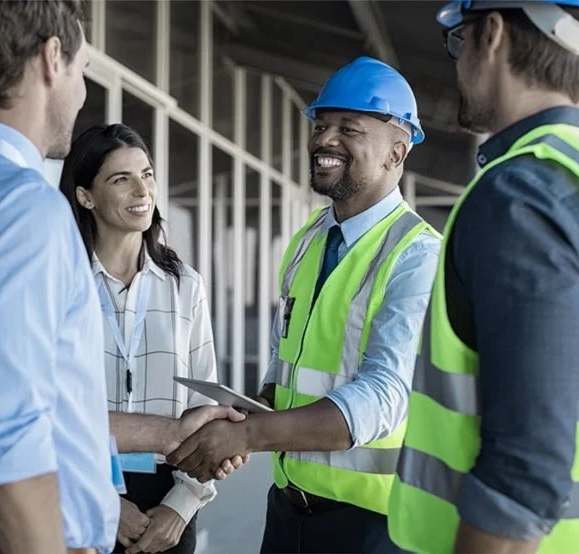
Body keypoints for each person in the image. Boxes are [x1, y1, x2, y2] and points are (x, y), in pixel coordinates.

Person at [0, 2, 241, 554]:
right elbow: (9, 439)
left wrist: (170, 435)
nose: (80, 92)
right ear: (53, 59)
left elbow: (47, 408)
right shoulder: (24, 210)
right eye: (82, 70)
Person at [388, 1, 579, 554]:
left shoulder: (521, 195)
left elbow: (521, 480)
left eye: (459, 41)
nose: (457, 65)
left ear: (493, 33)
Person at [166, 56, 443, 554]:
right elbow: (285, 361)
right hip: (288, 510)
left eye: (348, 128)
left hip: (373, 529)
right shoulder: (310, 239)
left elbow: (383, 397)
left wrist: (251, 436)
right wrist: (245, 415)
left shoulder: (417, 256)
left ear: (396, 152)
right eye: (321, 124)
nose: (324, 139)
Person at [59, 123, 227, 554]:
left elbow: (204, 405)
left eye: (147, 174)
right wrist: (102, 501)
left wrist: (182, 505)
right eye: (122, 179)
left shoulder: (184, 284)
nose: (142, 190)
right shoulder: (61, 283)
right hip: (78, 492)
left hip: (167, 497)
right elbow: (49, 408)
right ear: (85, 196)